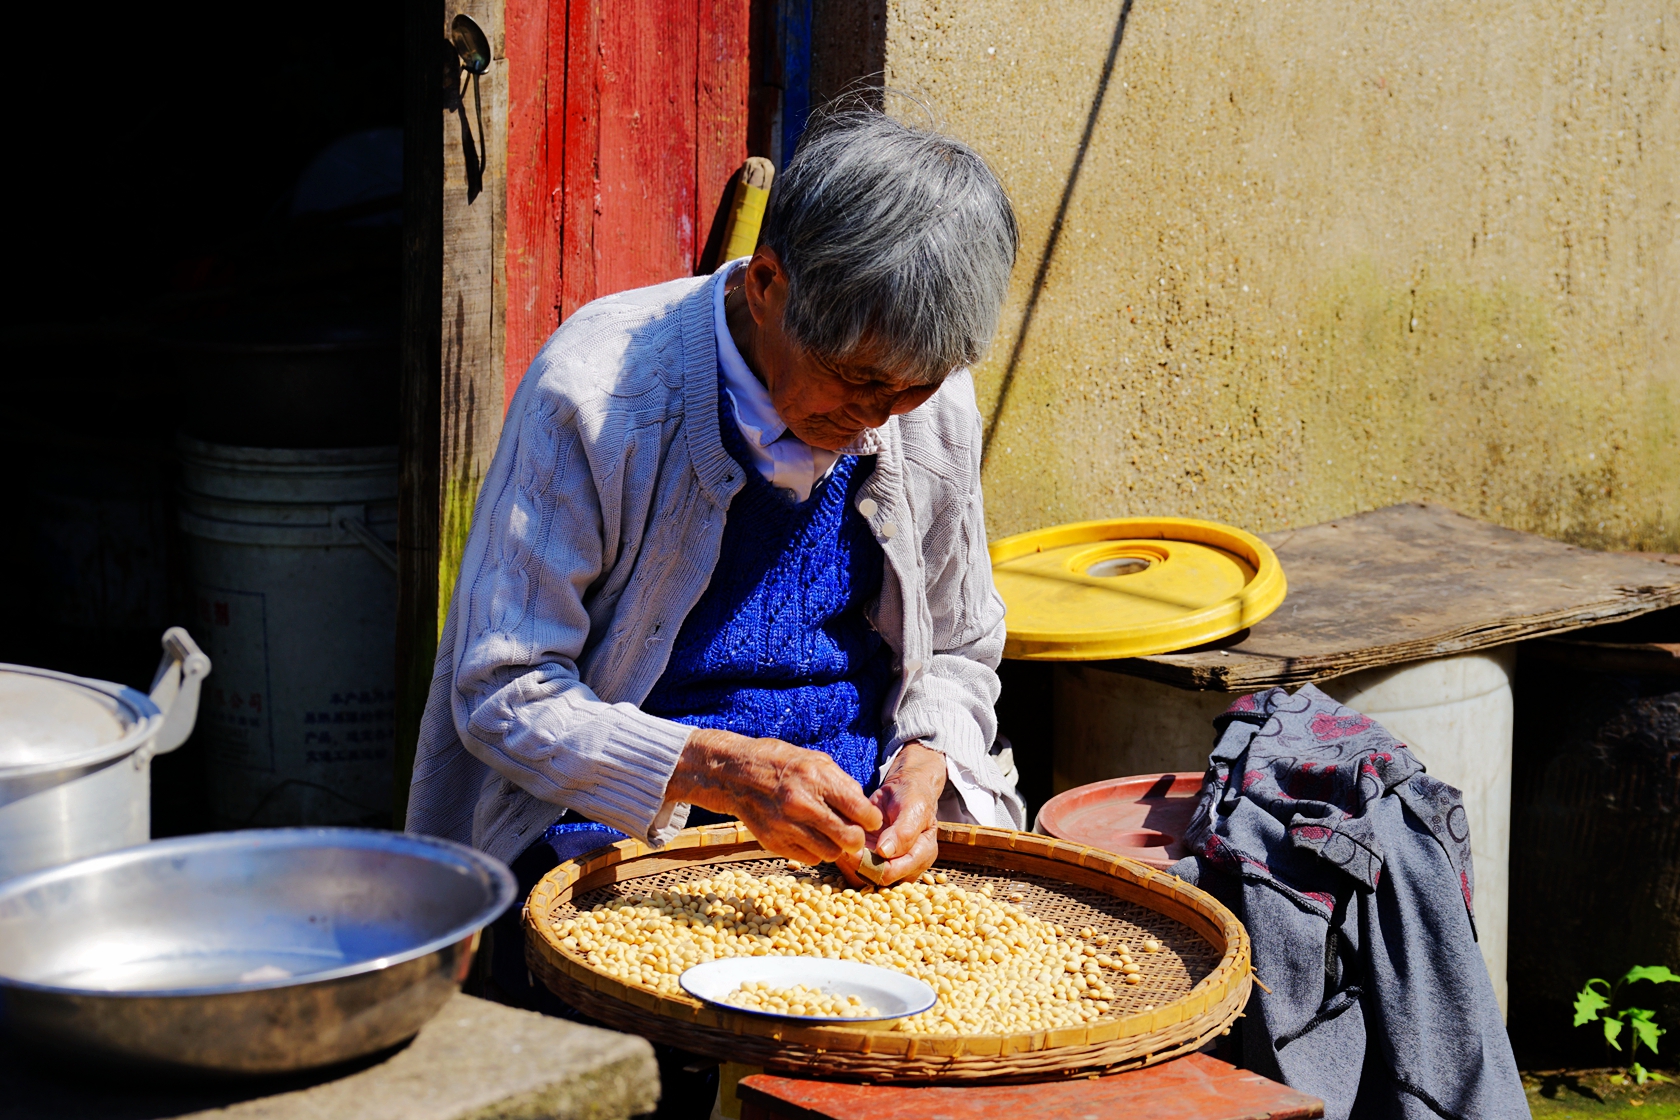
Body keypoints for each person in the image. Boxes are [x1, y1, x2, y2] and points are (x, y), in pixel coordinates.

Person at [405, 109, 1024, 1032]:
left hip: (845, 837)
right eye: (856, 381)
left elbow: (963, 647)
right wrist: (717, 770)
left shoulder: (919, 396)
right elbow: (501, 693)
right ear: (768, 283)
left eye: (916, 386)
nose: (883, 416)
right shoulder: (602, 389)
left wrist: (928, 764)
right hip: (615, 841)